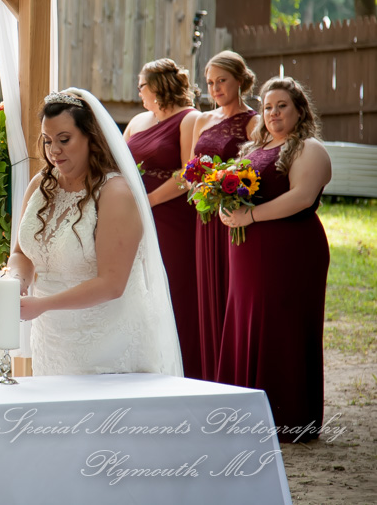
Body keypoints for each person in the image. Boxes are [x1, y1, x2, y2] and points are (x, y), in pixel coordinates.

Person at [11, 88, 182, 377]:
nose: (54, 151)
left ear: (91, 137)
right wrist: (16, 281)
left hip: (106, 343)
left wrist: (42, 305)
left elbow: (112, 284)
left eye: (64, 140)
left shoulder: (114, 193)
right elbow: (21, 253)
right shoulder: (42, 184)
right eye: (48, 140)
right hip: (52, 339)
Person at [218, 77, 331, 442]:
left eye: (282, 105)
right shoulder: (255, 147)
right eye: (267, 107)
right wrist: (224, 204)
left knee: (281, 325)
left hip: (290, 251)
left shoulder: (309, 149)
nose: (273, 113)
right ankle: (245, 408)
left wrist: (248, 217)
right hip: (248, 253)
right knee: (246, 321)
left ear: (299, 110)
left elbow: (300, 197)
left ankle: (288, 413)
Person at [124, 58, 202, 379]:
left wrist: (149, 201)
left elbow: (189, 172)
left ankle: (183, 367)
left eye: (141, 85)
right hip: (134, 217)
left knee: (174, 287)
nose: (138, 91)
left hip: (172, 217)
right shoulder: (139, 121)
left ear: (156, 87)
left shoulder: (190, 119)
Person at [190, 51, 259, 381]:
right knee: (206, 290)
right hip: (204, 219)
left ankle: (232, 372)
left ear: (240, 81)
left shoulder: (254, 122)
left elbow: (256, 167)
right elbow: (191, 169)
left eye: (222, 81)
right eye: (210, 83)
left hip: (232, 217)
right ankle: (210, 372)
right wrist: (198, 183)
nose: (215, 88)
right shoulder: (202, 120)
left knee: (230, 290)